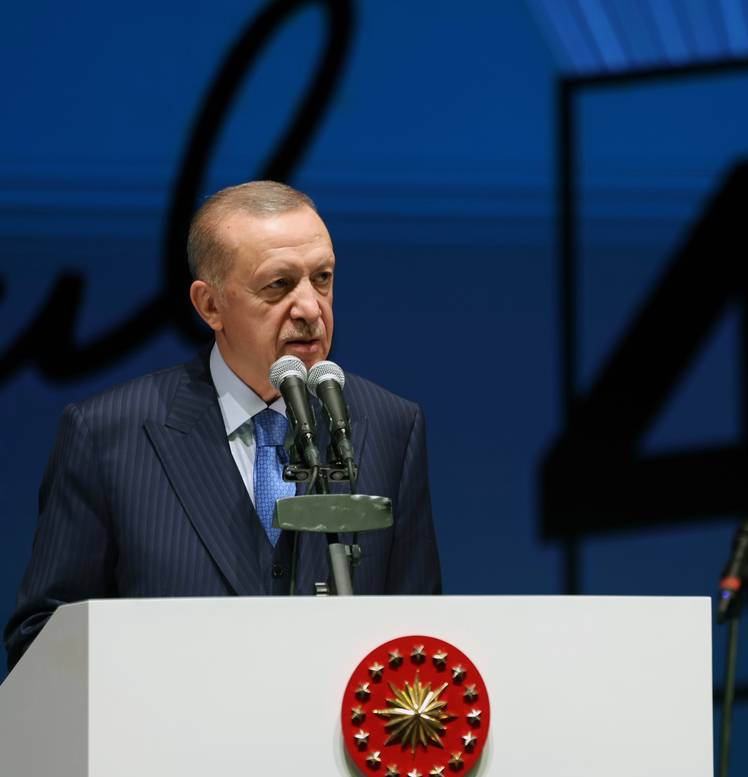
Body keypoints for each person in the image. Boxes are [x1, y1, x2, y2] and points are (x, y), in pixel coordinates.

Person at [4, 181, 441, 670]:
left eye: (322, 278)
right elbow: (39, 641)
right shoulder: (107, 435)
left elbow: (421, 643)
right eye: (278, 285)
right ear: (209, 305)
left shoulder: (389, 426)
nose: (310, 308)